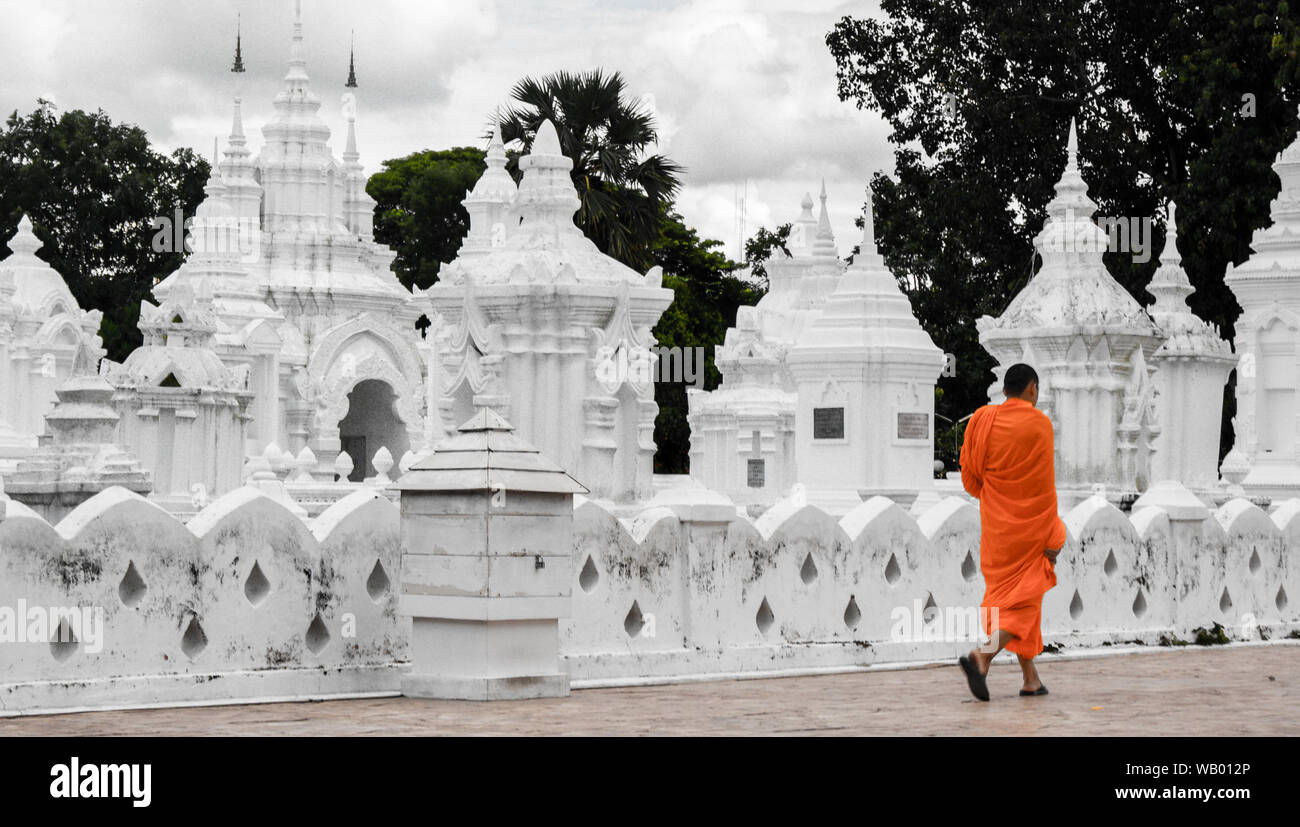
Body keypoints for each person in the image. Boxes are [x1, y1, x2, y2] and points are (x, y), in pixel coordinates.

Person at [956, 363, 1066, 701]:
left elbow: (971, 477)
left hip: (997, 529)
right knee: (1024, 605)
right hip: (1031, 531)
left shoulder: (982, 420)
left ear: (1005, 390)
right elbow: (1044, 487)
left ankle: (1030, 678)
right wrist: (1054, 534)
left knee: (1014, 602)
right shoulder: (1040, 426)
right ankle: (983, 656)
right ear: (1032, 388)